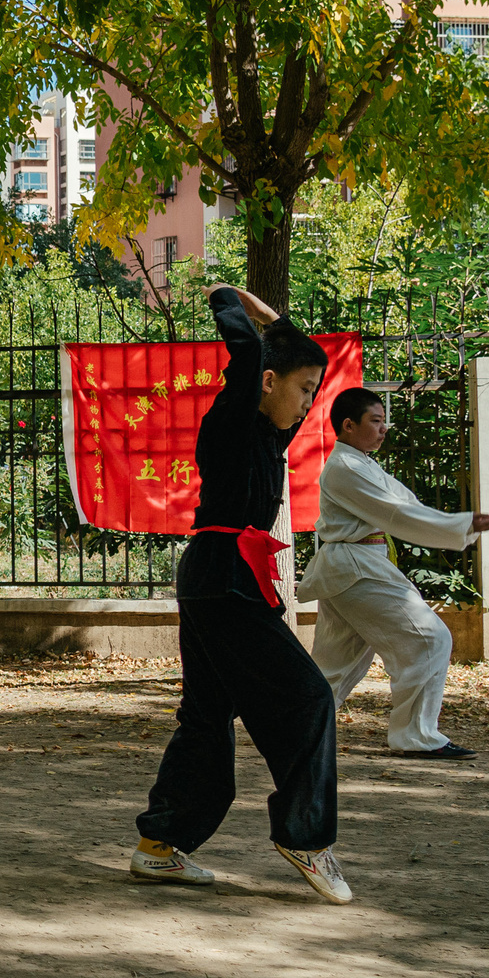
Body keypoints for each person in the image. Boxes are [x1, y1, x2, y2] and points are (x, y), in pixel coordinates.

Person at [132, 285, 355, 904]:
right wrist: (230, 301)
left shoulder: (268, 435)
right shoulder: (232, 418)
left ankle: (160, 846)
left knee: (207, 718)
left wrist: (280, 322)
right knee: (309, 698)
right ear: (266, 381)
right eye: (302, 389)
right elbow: (248, 354)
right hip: (223, 578)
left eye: (313, 391)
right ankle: (305, 838)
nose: (309, 401)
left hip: (222, 577)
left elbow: (303, 370)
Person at [301, 388, 489, 760]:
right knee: (430, 639)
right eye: (375, 421)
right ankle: (415, 736)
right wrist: (459, 525)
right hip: (356, 567)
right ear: (348, 425)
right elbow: (395, 514)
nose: (383, 429)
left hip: (353, 568)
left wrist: (458, 523)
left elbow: (404, 503)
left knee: (335, 665)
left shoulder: (360, 464)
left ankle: (292, 726)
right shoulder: (346, 468)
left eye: (383, 421)